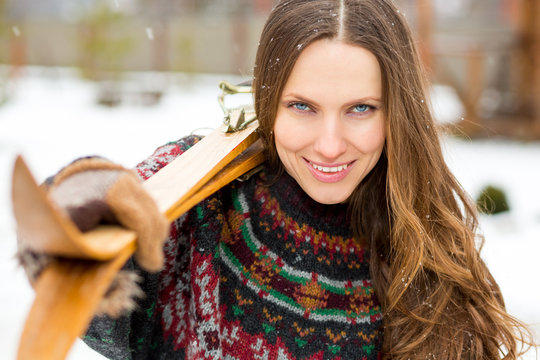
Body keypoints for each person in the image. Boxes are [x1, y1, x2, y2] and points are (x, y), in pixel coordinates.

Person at [18, 0, 534, 359]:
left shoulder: (426, 241)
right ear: (268, 102)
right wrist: (81, 205)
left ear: (396, 112)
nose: (330, 144)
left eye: (360, 108)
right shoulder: (203, 193)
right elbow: (90, 243)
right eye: (302, 107)